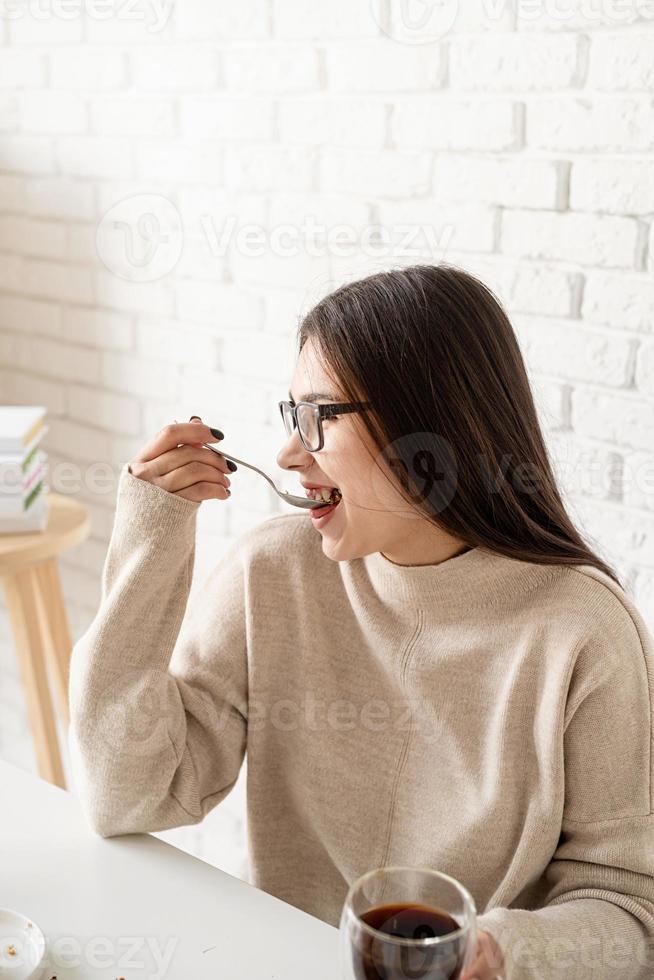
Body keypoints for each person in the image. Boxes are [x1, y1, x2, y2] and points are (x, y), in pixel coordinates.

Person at [69, 264, 654, 980]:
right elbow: (126, 793)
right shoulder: (273, 573)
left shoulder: (583, 631)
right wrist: (150, 541)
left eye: (317, 416)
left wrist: (506, 953)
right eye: (292, 416)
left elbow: (627, 905)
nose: (288, 453)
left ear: (427, 426)